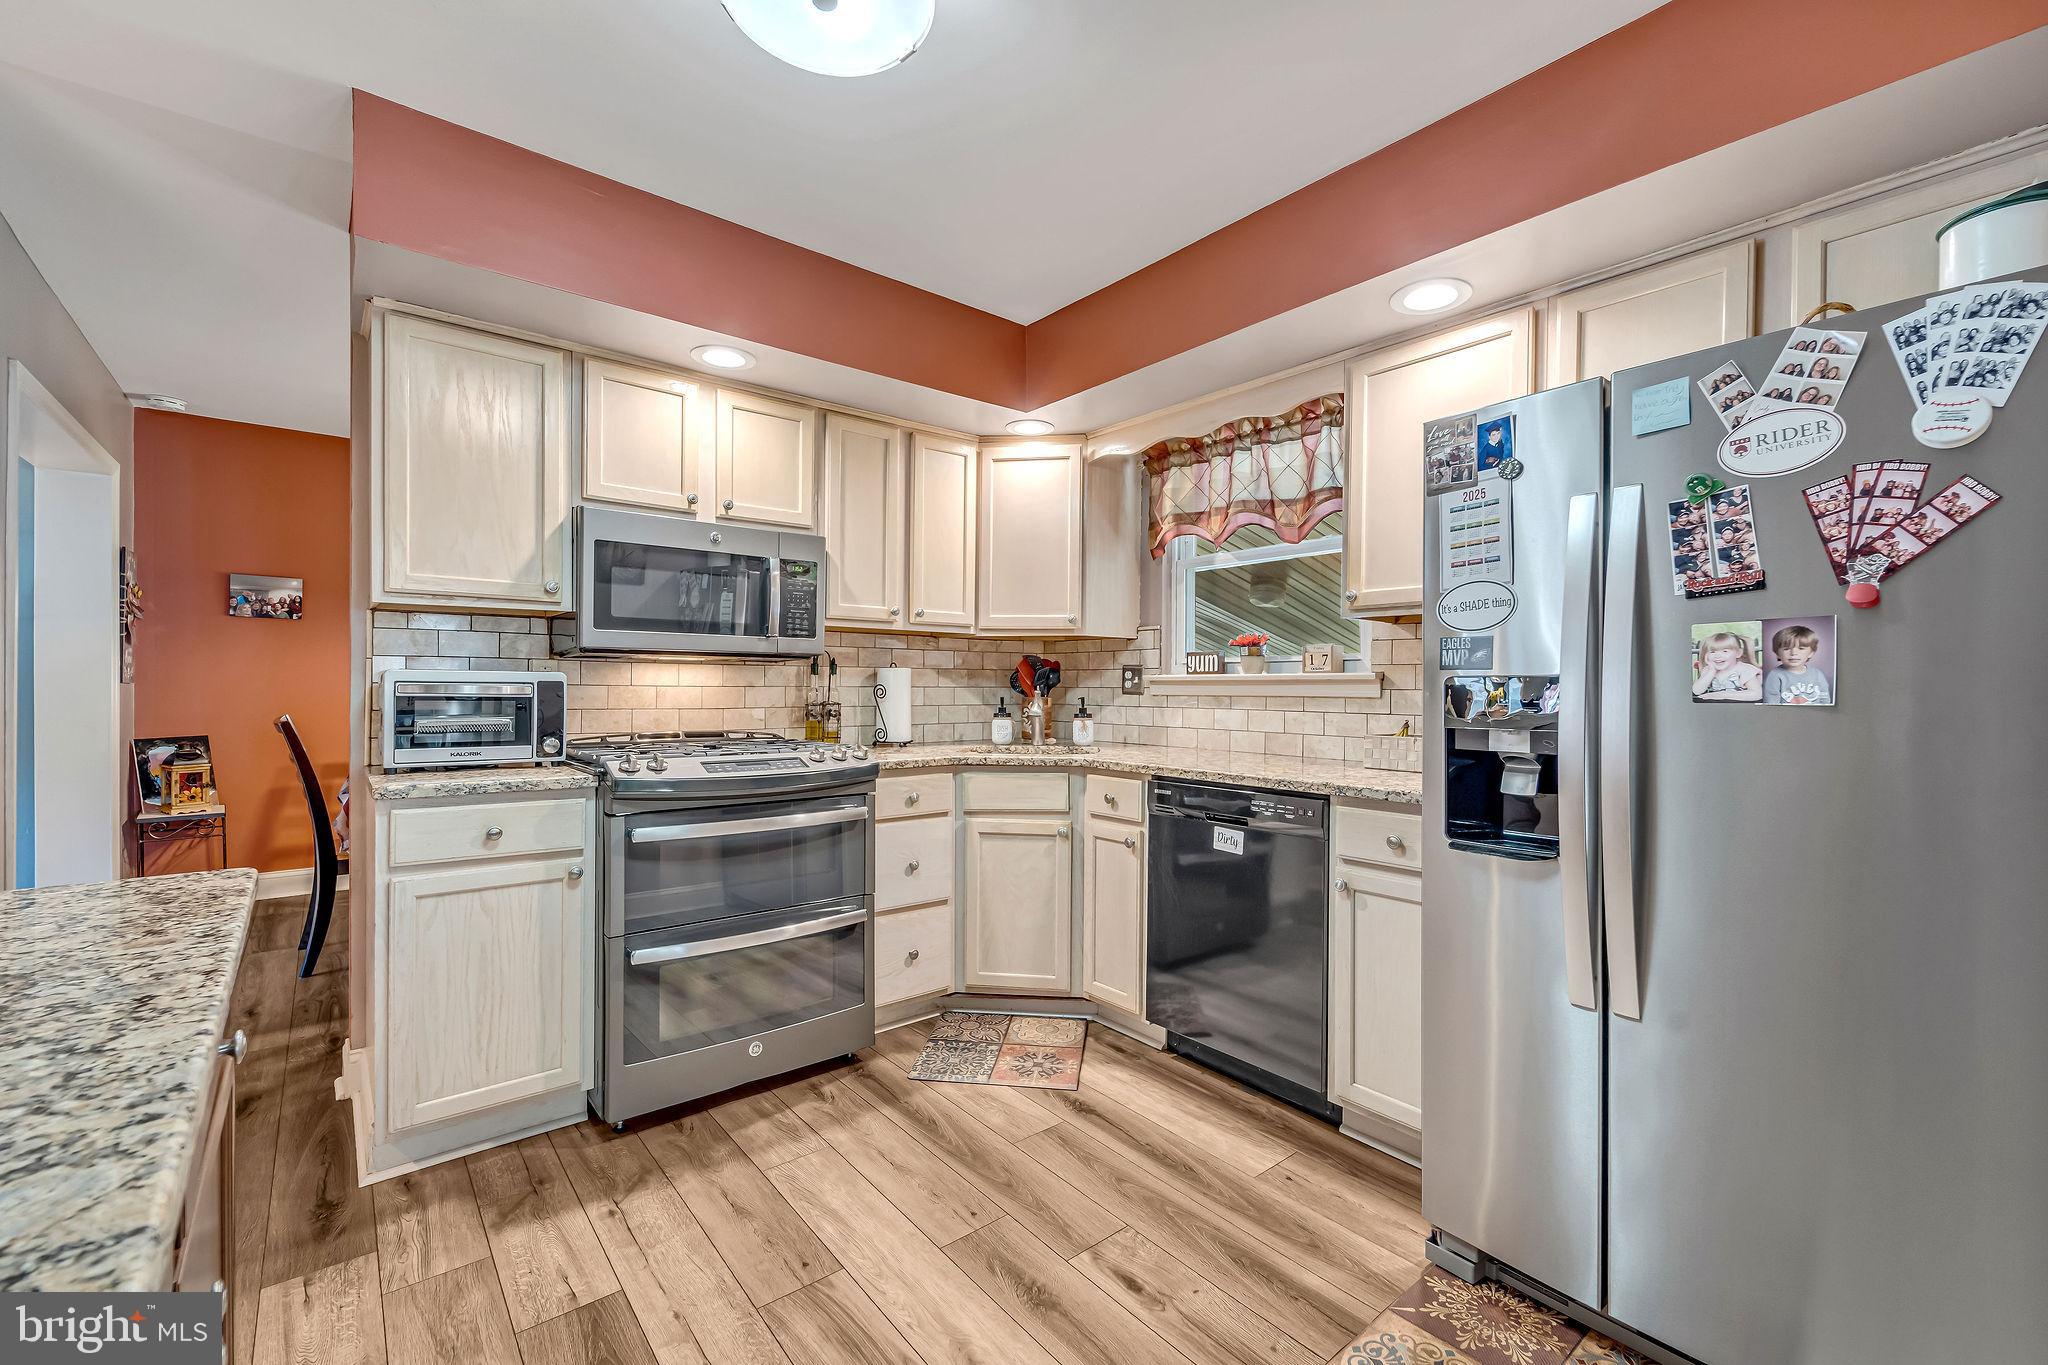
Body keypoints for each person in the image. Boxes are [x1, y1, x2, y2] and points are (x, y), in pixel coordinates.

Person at [1763, 624, 1832, 706]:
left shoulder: (1817, 674)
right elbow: (1771, 704)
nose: (1793, 653)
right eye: (1786, 649)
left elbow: (1825, 699)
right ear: (1777, 654)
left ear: (1810, 653)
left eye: (1801, 648)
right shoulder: (1775, 676)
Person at [1693, 631, 1762, 701]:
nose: (1717, 656)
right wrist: (1711, 671)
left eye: (1725, 651)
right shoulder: (1708, 670)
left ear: (1738, 653)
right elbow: (1697, 691)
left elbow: (1757, 694)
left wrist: (1722, 695)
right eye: (1712, 652)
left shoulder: (1745, 669)